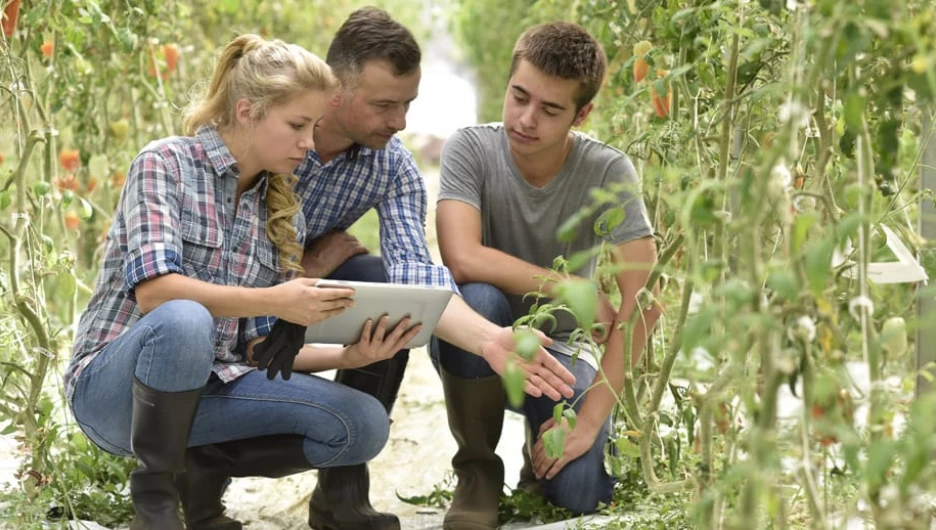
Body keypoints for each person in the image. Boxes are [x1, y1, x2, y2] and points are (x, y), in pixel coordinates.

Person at [177, 7, 578, 530]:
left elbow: (416, 272)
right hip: (217, 305)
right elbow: (204, 252)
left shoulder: (390, 164)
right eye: (385, 105)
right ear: (336, 92)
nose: (401, 122)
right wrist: (300, 267)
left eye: (408, 104)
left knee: (382, 287)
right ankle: (194, 483)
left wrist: (487, 340)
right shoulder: (256, 132)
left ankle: (342, 496)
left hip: (287, 304)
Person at [64, 34, 422, 530]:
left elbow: (256, 350)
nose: (309, 143)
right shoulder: (165, 164)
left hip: (209, 394)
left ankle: (203, 465)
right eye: (297, 125)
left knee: (362, 424)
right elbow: (155, 293)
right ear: (249, 110)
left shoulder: (281, 212)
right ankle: (157, 504)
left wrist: (350, 357)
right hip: (118, 395)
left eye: (314, 127)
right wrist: (276, 298)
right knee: (185, 317)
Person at [429, 22, 661, 528]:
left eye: (550, 110)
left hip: (559, 350)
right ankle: (478, 471)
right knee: (479, 293)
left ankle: (539, 462)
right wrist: (570, 287)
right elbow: (462, 257)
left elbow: (643, 304)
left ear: (582, 114)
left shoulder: (607, 171)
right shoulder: (471, 149)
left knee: (582, 495)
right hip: (480, 341)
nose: (526, 119)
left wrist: (592, 417)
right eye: (519, 97)